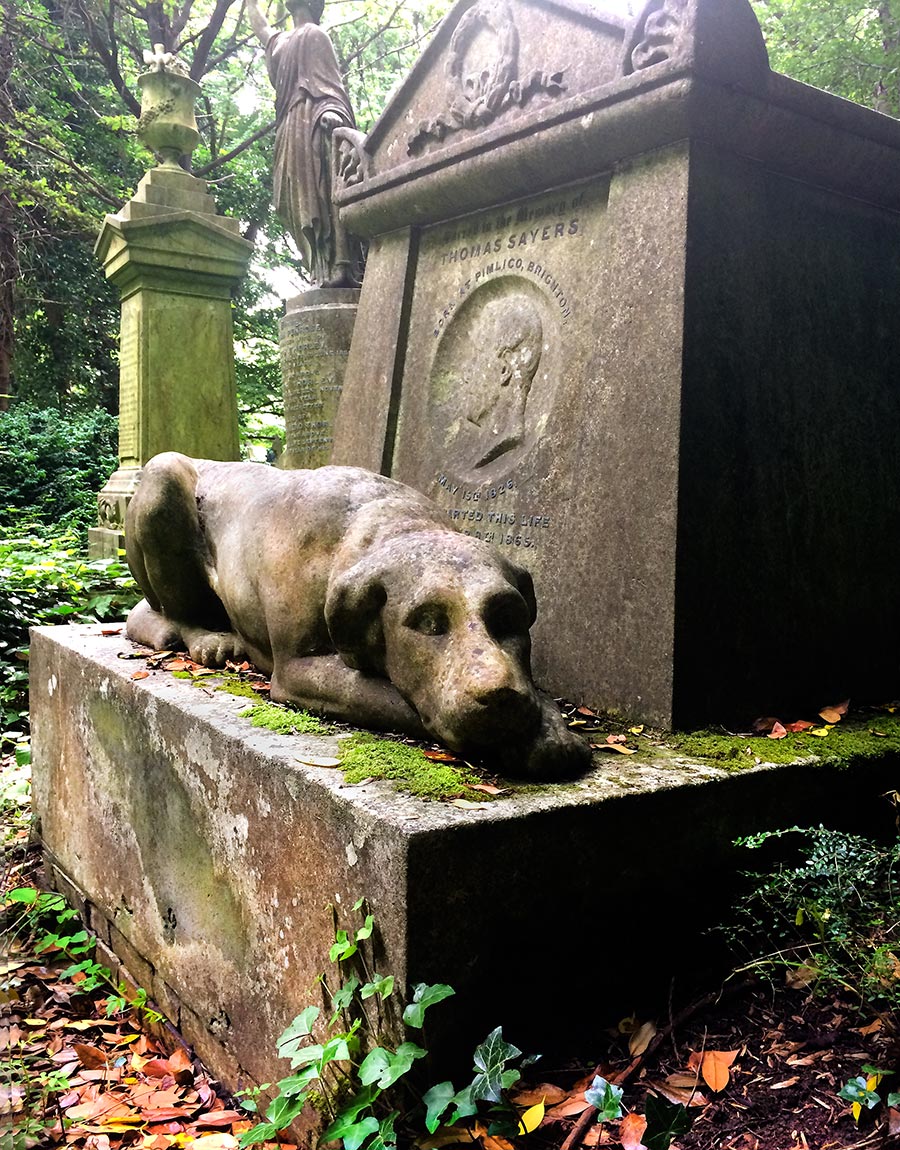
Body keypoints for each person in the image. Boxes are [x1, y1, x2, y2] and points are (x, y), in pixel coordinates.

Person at [246, 0, 359, 287]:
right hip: (289, 129)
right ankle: (316, 265)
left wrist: (333, 112)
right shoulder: (282, 41)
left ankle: (337, 264)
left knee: (320, 194)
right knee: (292, 201)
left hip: (313, 122)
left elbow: (332, 87)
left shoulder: (315, 35)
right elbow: (260, 27)